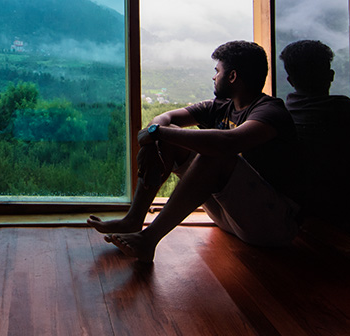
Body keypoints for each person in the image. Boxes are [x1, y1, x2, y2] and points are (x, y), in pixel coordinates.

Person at [87, 40, 301, 262]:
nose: (214, 77)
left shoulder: (270, 111)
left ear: (233, 76)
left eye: (217, 71)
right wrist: (153, 139)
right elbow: (166, 119)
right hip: (232, 216)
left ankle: (148, 240)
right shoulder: (220, 106)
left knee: (215, 155)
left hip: (274, 223)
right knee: (170, 138)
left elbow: (228, 143)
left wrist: (156, 133)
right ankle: (133, 219)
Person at [279, 39, 350, 235]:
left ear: (290, 80)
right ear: (330, 75)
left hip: (295, 211)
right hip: (343, 211)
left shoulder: (279, 116)